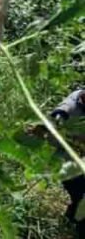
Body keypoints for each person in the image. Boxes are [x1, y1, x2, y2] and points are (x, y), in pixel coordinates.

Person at [50, 88, 85, 236]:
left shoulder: (79, 97)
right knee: (80, 195)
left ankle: (72, 220)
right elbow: (51, 137)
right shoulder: (67, 111)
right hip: (66, 161)